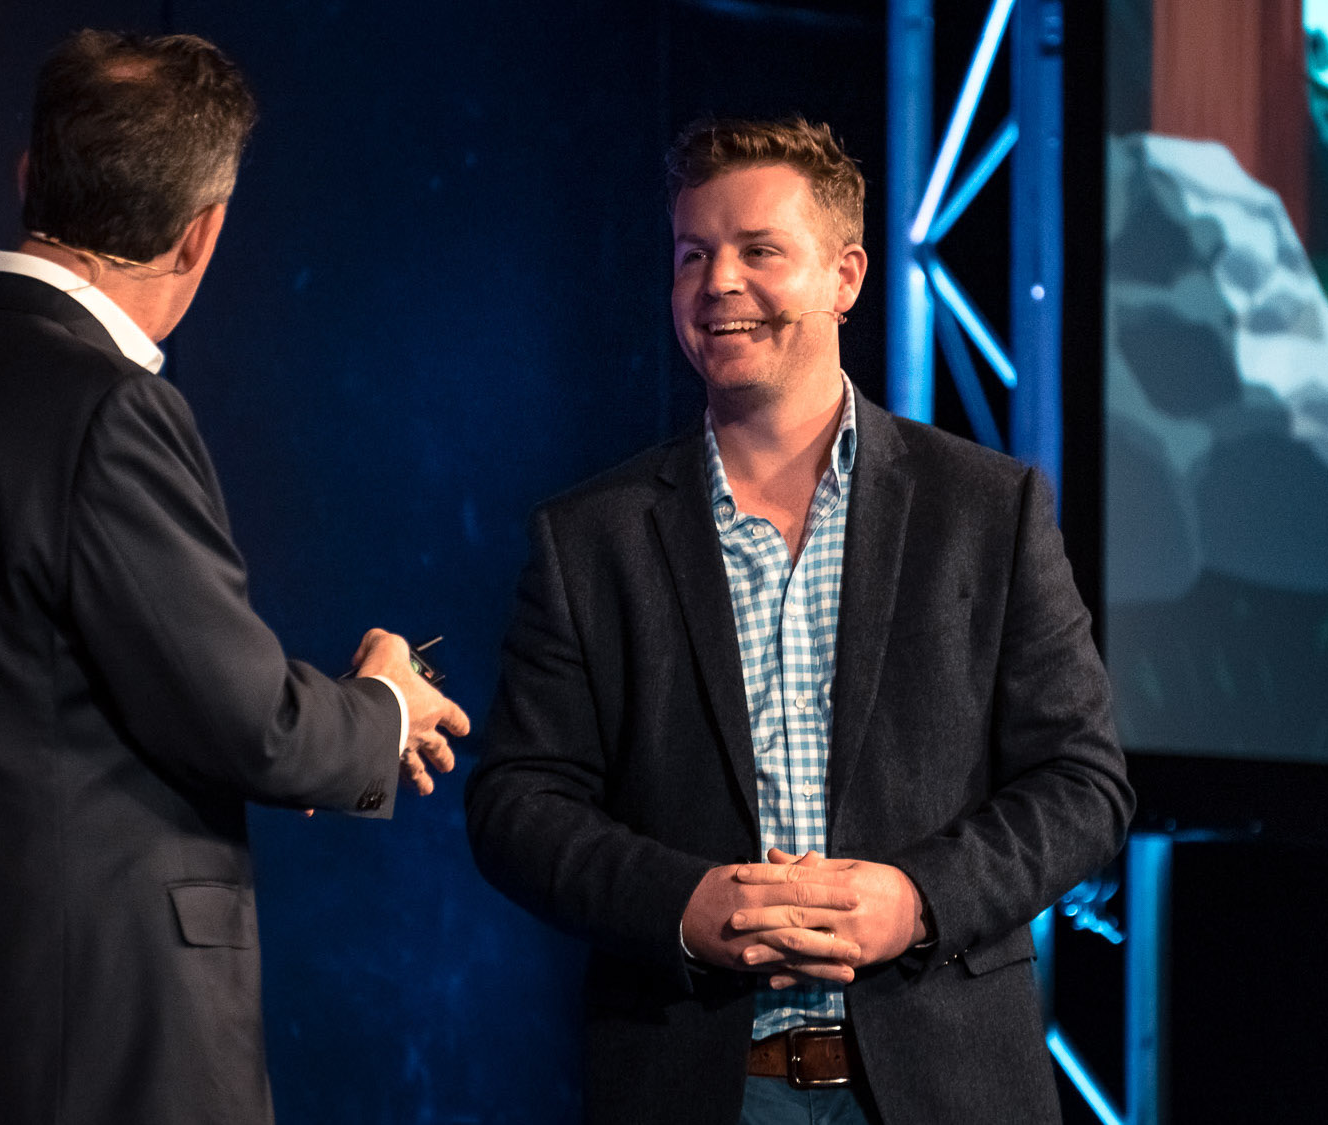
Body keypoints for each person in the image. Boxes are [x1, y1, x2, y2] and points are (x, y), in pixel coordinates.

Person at [0, 30, 469, 1125]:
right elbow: (246, 720)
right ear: (200, 234)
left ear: (27, 177)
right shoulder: (108, 410)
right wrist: (383, 706)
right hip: (100, 1042)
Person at [466, 117, 1134, 1125]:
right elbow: (517, 802)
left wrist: (915, 902)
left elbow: (1082, 785)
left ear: (847, 277)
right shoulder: (590, 536)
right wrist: (681, 907)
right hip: (699, 1086)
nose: (717, 283)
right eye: (693, 255)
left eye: (758, 251)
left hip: (942, 1089)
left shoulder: (984, 510)